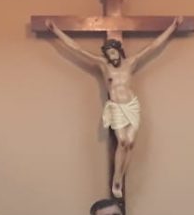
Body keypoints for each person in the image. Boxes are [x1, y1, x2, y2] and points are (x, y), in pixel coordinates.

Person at [45, 17, 182, 198]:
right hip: (116, 107)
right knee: (122, 142)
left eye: (114, 52)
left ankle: (120, 176)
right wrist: (56, 31)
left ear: (119, 51)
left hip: (131, 105)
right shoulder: (103, 65)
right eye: (109, 54)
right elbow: (77, 48)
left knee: (130, 144)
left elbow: (153, 46)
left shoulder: (130, 63)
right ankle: (117, 179)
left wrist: (172, 27)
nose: (112, 56)